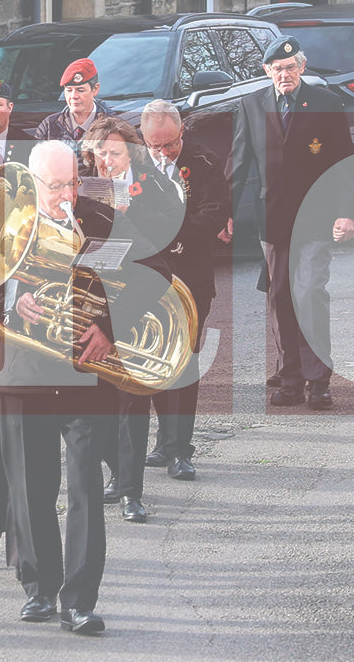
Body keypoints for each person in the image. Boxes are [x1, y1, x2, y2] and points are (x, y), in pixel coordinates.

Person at [0, 141, 172, 635]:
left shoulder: (99, 219)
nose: (65, 193)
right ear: (31, 183)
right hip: (26, 374)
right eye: (54, 186)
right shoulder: (4, 218)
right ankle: (39, 589)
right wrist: (13, 296)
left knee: (86, 490)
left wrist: (111, 327)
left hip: (85, 374)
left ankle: (80, 599)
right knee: (31, 487)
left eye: (72, 181)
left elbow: (154, 274)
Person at [226, 34, 354, 409]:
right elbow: (238, 164)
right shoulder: (251, 105)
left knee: (310, 294)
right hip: (275, 222)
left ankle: (318, 383)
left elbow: (342, 163)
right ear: (267, 71)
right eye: (276, 69)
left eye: (290, 67)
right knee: (280, 297)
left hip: (315, 220)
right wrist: (225, 212)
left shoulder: (326, 103)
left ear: (301, 67)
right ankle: (290, 378)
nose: (284, 74)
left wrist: (347, 212)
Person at [79, 116, 183, 522]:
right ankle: (117, 473)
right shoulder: (83, 187)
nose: (107, 161)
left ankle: (131, 492)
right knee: (96, 403)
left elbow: (168, 237)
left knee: (132, 403)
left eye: (115, 152)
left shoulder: (153, 184)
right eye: (100, 153)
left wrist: (129, 216)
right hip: (92, 304)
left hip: (139, 302)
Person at [138, 101, 228, 480]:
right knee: (156, 356)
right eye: (155, 146)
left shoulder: (203, 161)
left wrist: (171, 231)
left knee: (184, 361)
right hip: (149, 277)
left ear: (181, 133)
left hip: (191, 276)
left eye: (170, 145)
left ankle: (181, 448)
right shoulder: (136, 164)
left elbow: (215, 211)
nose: (163, 153)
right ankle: (164, 439)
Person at [34, 58, 113, 145]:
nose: (73, 96)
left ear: (95, 89)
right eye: (69, 90)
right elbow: (36, 156)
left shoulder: (113, 125)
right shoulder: (49, 125)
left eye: (80, 90)